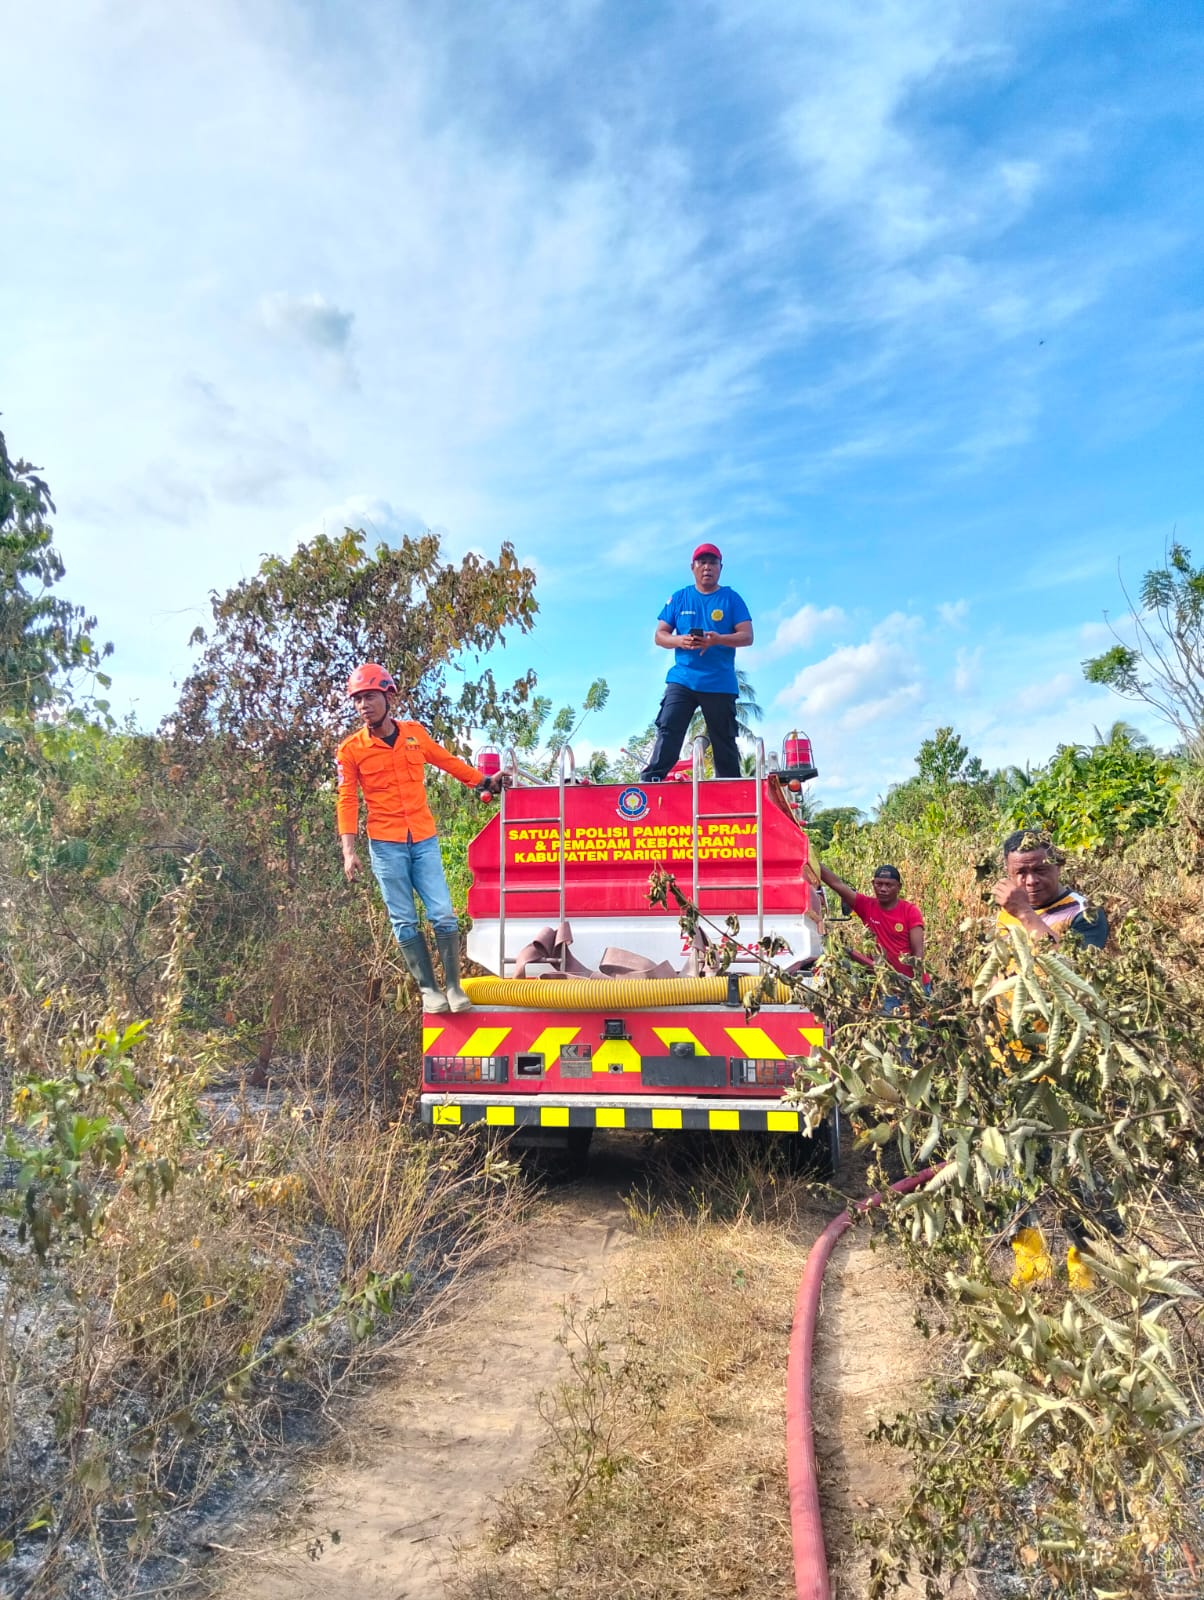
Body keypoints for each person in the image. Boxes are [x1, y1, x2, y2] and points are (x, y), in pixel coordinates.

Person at [336, 663, 504, 1014]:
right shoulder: (351, 750)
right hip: (385, 844)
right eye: (358, 700)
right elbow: (347, 798)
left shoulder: (415, 734)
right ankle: (430, 991)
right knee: (404, 920)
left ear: (387, 697)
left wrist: (483, 782)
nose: (363, 705)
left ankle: (454, 988)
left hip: (423, 839)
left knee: (443, 912)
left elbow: (446, 761)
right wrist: (349, 850)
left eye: (369, 697)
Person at [640, 543, 753, 781]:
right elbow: (660, 635)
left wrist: (718, 639)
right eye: (702, 562)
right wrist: (680, 640)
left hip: (719, 682)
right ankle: (652, 780)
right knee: (669, 727)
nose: (707, 568)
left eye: (713, 563)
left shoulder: (732, 599)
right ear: (693, 567)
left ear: (721, 568)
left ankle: (730, 787)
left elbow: (747, 636)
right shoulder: (680, 598)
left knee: (724, 739)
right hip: (683, 678)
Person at [992, 829, 1108, 948]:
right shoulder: (1008, 907)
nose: (1031, 881)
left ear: (1058, 866)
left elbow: (1078, 964)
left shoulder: (1084, 912)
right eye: (1021, 873)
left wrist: (1024, 913)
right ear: (1008, 873)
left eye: (1040, 870)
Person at [818, 861, 927, 986]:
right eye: (879, 884)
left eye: (888, 885)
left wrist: (915, 984)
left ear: (899, 887)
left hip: (910, 984)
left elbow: (918, 952)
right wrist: (809, 857)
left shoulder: (910, 911)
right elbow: (837, 884)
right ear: (873, 884)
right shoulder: (866, 906)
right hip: (884, 985)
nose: (883, 889)